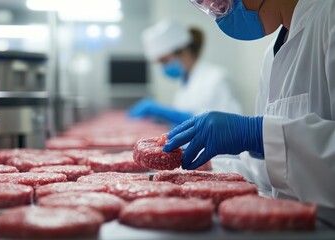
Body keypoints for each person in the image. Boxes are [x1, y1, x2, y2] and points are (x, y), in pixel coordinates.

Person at [164, 0, 335, 208]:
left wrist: (258, 134)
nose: (216, 8)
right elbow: (266, 172)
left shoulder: (329, 18)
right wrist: (203, 170)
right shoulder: (270, 57)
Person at [129, 20, 242, 126]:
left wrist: (174, 115)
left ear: (184, 50)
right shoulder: (184, 84)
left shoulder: (216, 78)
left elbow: (230, 125)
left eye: (165, 60)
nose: (164, 67)